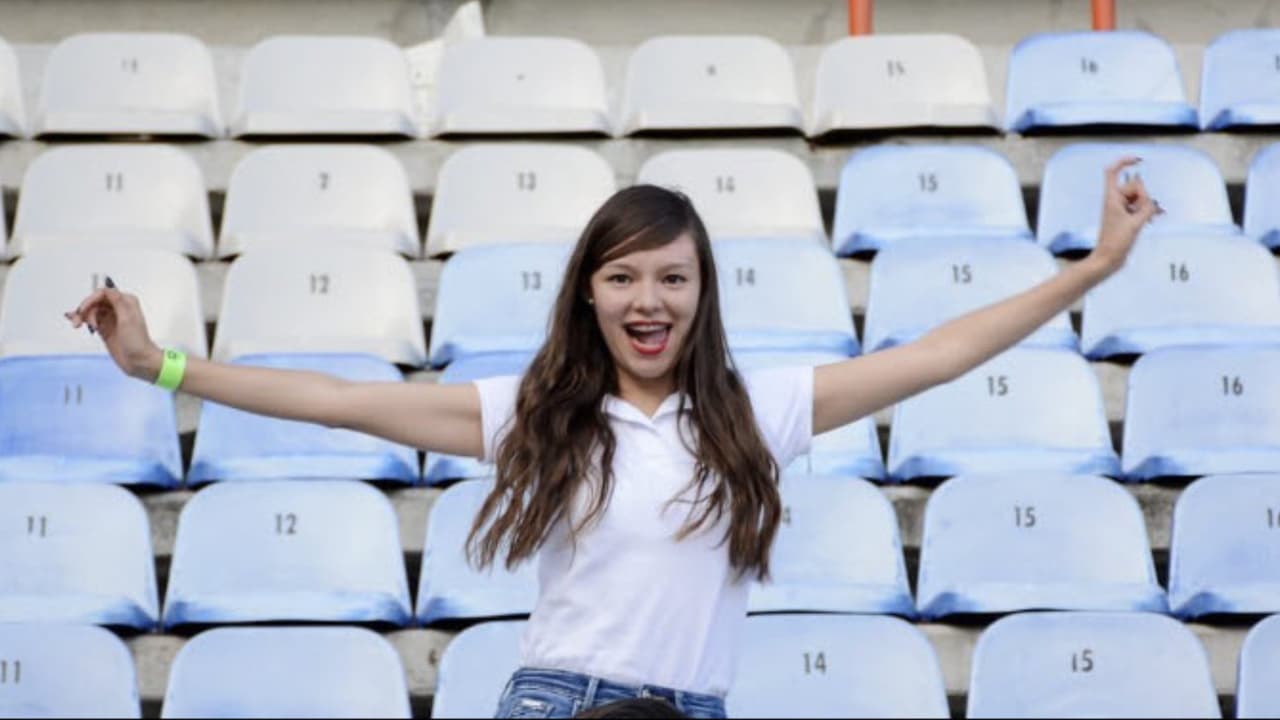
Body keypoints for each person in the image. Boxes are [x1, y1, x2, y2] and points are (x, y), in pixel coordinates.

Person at [68, 158, 1157, 719]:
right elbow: (338, 401)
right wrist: (158, 364)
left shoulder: (751, 409)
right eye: (623, 276)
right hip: (560, 708)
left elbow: (933, 353)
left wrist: (1094, 271)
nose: (648, 300)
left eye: (670, 278)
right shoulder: (537, 416)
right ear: (589, 293)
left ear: (699, 293)